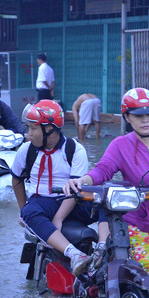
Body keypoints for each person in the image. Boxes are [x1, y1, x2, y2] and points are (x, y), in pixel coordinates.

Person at [64, 88, 149, 297]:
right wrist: (83, 180)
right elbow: (103, 169)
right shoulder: (120, 145)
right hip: (139, 222)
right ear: (127, 117)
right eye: (138, 116)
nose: (145, 120)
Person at [11, 100, 104, 276]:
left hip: (73, 201)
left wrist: (59, 218)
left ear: (50, 130)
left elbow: (76, 187)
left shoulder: (75, 149)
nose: (28, 133)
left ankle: (103, 249)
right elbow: (16, 179)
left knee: (107, 202)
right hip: (42, 201)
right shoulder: (26, 150)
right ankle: (74, 254)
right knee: (29, 212)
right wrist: (23, 210)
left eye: (33, 128)